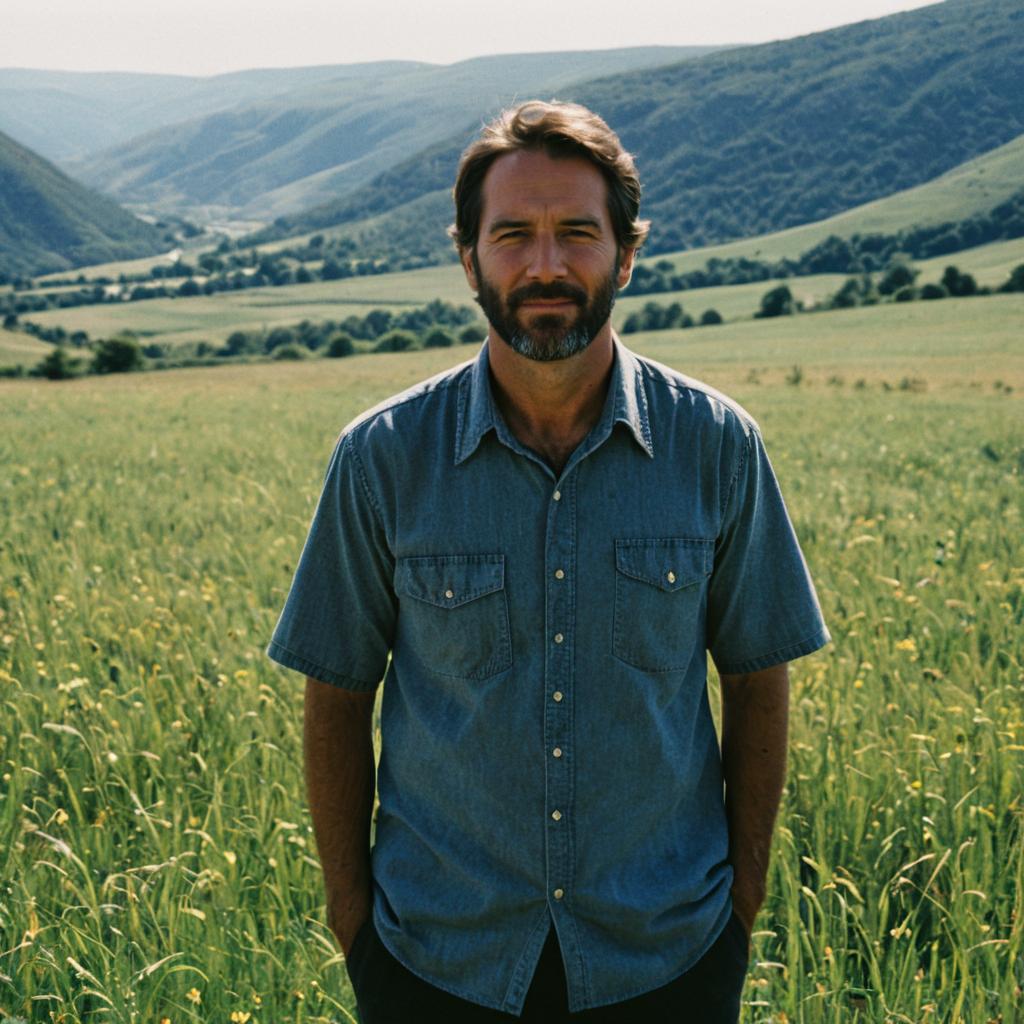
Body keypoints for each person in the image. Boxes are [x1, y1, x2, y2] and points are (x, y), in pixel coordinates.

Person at [267, 100, 830, 1023]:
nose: (546, 265)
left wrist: (740, 912)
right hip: (436, 964)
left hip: (669, 959)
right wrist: (355, 930)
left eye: (577, 232)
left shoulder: (718, 446)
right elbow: (335, 695)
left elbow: (758, 677)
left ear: (626, 251)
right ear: (468, 256)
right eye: (513, 235)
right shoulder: (381, 458)